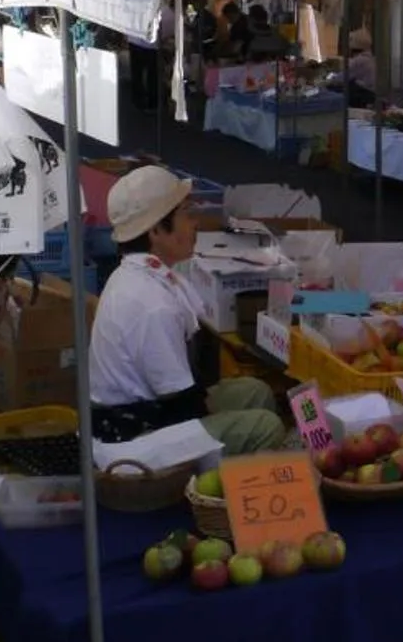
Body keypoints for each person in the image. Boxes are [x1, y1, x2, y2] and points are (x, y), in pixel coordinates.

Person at [88, 166, 284, 451]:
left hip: (150, 411)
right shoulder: (152, 304)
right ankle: (215, 486)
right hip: (133, 439)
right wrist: (220, 419)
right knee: (267, 427)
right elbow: (182, 405)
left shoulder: (135, 274)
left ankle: (239, 476)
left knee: (255, 392)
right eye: (186, 213)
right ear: (156, 230)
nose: (195, 223)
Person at [342, 28, 378, 107]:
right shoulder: (370, 58)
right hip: (372, 93)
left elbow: (343, 77)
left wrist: (327, 81)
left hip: (365, 94)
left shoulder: (359, 60)